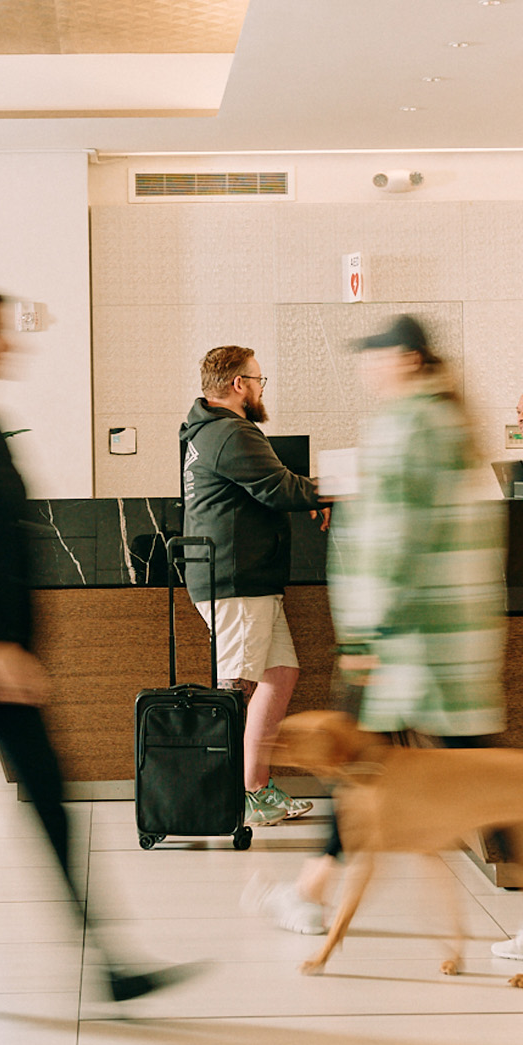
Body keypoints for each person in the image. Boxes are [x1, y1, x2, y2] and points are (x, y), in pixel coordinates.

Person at [0, 282, 192, 1016]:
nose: (6, 341)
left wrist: (22, 649)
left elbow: (4, 553)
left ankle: (109, 960)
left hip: (4, 658)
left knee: (49, 797)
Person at [247, 315, 507, 936]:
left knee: (388, 767)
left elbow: (397, 538)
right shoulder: (446, 422)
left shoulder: (409, 425)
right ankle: (311, 891)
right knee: (463, 769)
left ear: (408, 359)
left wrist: (367, 637)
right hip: (440, 636)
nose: (367, 367)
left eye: (376, 355)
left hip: (403, 640)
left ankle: (310, 894)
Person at [180, 345, 324, 827]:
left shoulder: (206, 432)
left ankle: (255, 788)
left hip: (245, 579)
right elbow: (278, 487)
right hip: (236, 580)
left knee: (280, 674)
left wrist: (314, 495)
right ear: (238, 384)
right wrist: (330, 491)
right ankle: (223, 796)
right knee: (234, 688)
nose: (262, 389)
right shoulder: (230, 432)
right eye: (259, 380)